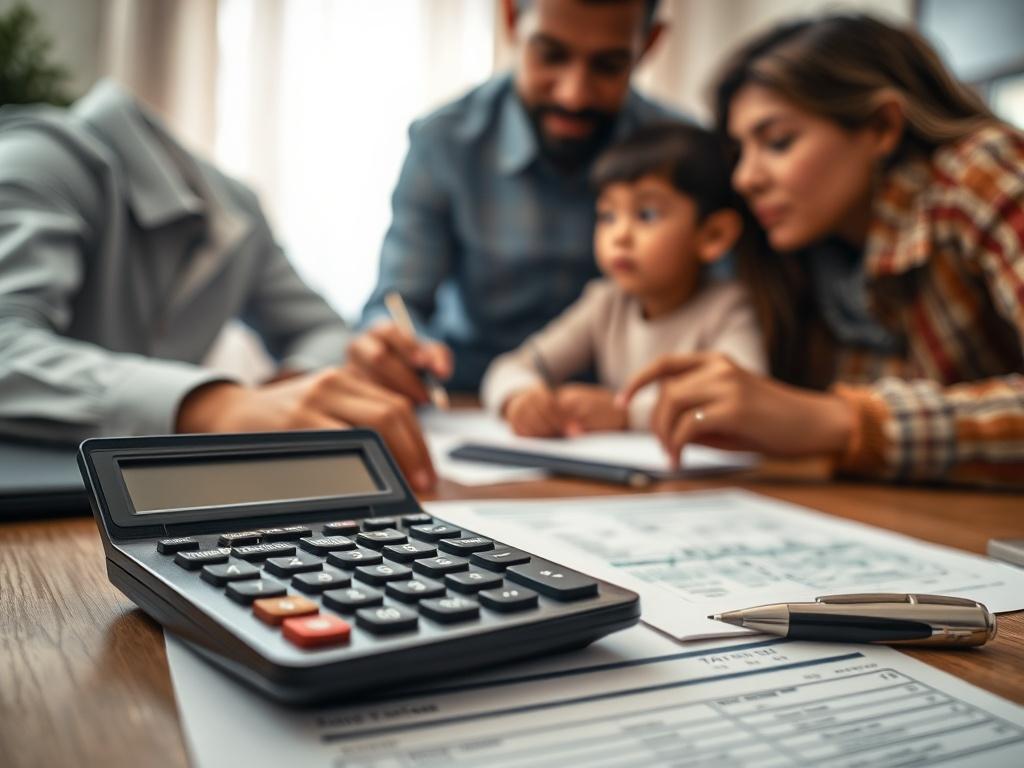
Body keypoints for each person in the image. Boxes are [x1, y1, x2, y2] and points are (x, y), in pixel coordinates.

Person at [619, 15, 1024, 486]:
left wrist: (838, 421)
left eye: (778, 142)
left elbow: (829, 426)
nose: (744, 178)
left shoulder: (982, 174)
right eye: (739, 152)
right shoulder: (802, 256)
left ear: (880, 127)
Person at [0, 81, 438, 491]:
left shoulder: (235, 211)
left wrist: (293, 388)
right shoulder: (35, 162)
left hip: (150, 489)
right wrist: (216, 406)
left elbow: (323, 329)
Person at [350, 0, 678, 397]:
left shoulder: (686, 153)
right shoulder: (443, 142)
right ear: (509, 18)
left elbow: (720, 304)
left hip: (627, 410)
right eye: (550, 55)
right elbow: (399, 301)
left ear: (651, 42)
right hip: (466, 401)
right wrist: (390, 344)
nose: (574, 95)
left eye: (607, 65)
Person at [482, 122, 765, 441]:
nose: (620, 235)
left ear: (713, 235)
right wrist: (520, 398)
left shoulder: (728, 309)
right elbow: (507, 367)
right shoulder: (605, 302)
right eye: (607, 216)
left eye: (646, 215)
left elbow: (739, 402)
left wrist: (626, 414)